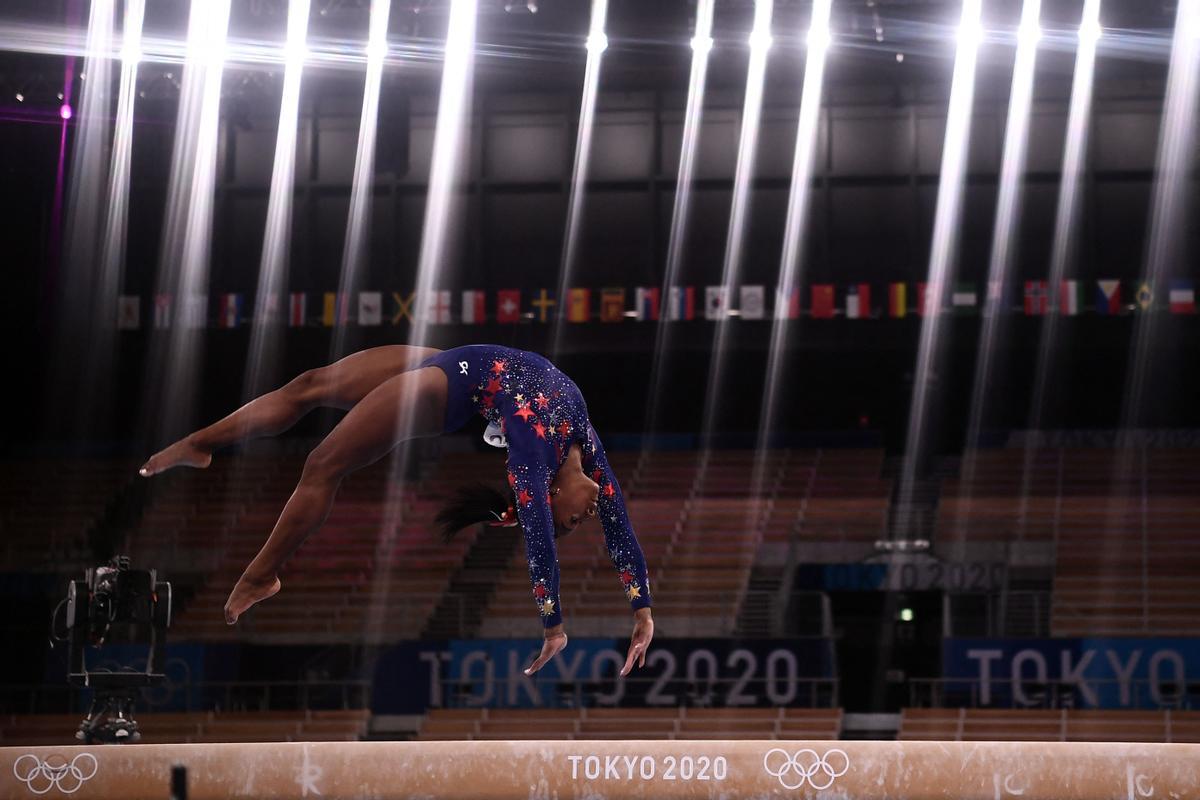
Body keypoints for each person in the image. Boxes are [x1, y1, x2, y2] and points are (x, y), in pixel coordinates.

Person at [139, 344, 654, 676]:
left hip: (443, 391)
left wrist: (553, 625)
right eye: (574, 520)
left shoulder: (531, 460)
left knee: (322, 464)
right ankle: (198, 443)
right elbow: (620, 530)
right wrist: (643, 611)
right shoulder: (586, 449)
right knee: (309, 384)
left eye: (571, 523)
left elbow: (539, 536)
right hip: (453, 360)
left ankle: (261, 575)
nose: (584, 519)